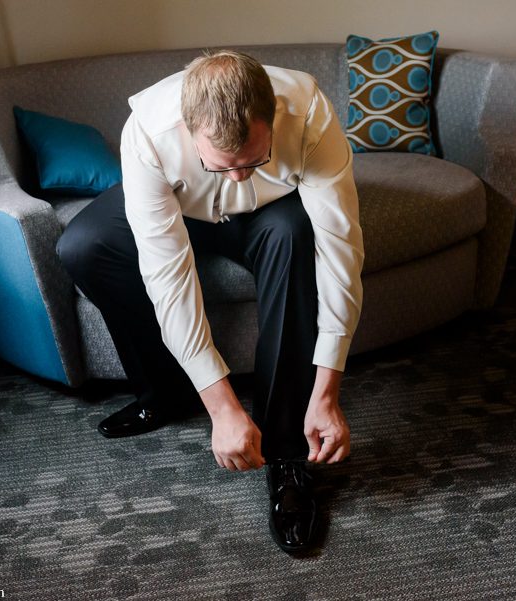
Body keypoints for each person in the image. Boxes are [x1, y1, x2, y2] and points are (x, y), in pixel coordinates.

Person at [57, 50, 364, 553]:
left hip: (273, 212)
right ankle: (165, 392)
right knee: (83, 246)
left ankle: (287, 451)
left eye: (254, 160)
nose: (239, 176)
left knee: (296, 237)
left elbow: (341, 252)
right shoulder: (149, 132)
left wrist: (328, 391)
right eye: (223, 164)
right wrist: (219, 406)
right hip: (181, 206)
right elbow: (168, 274)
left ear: (272, 120)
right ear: (189, 130)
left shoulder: (308, 112)